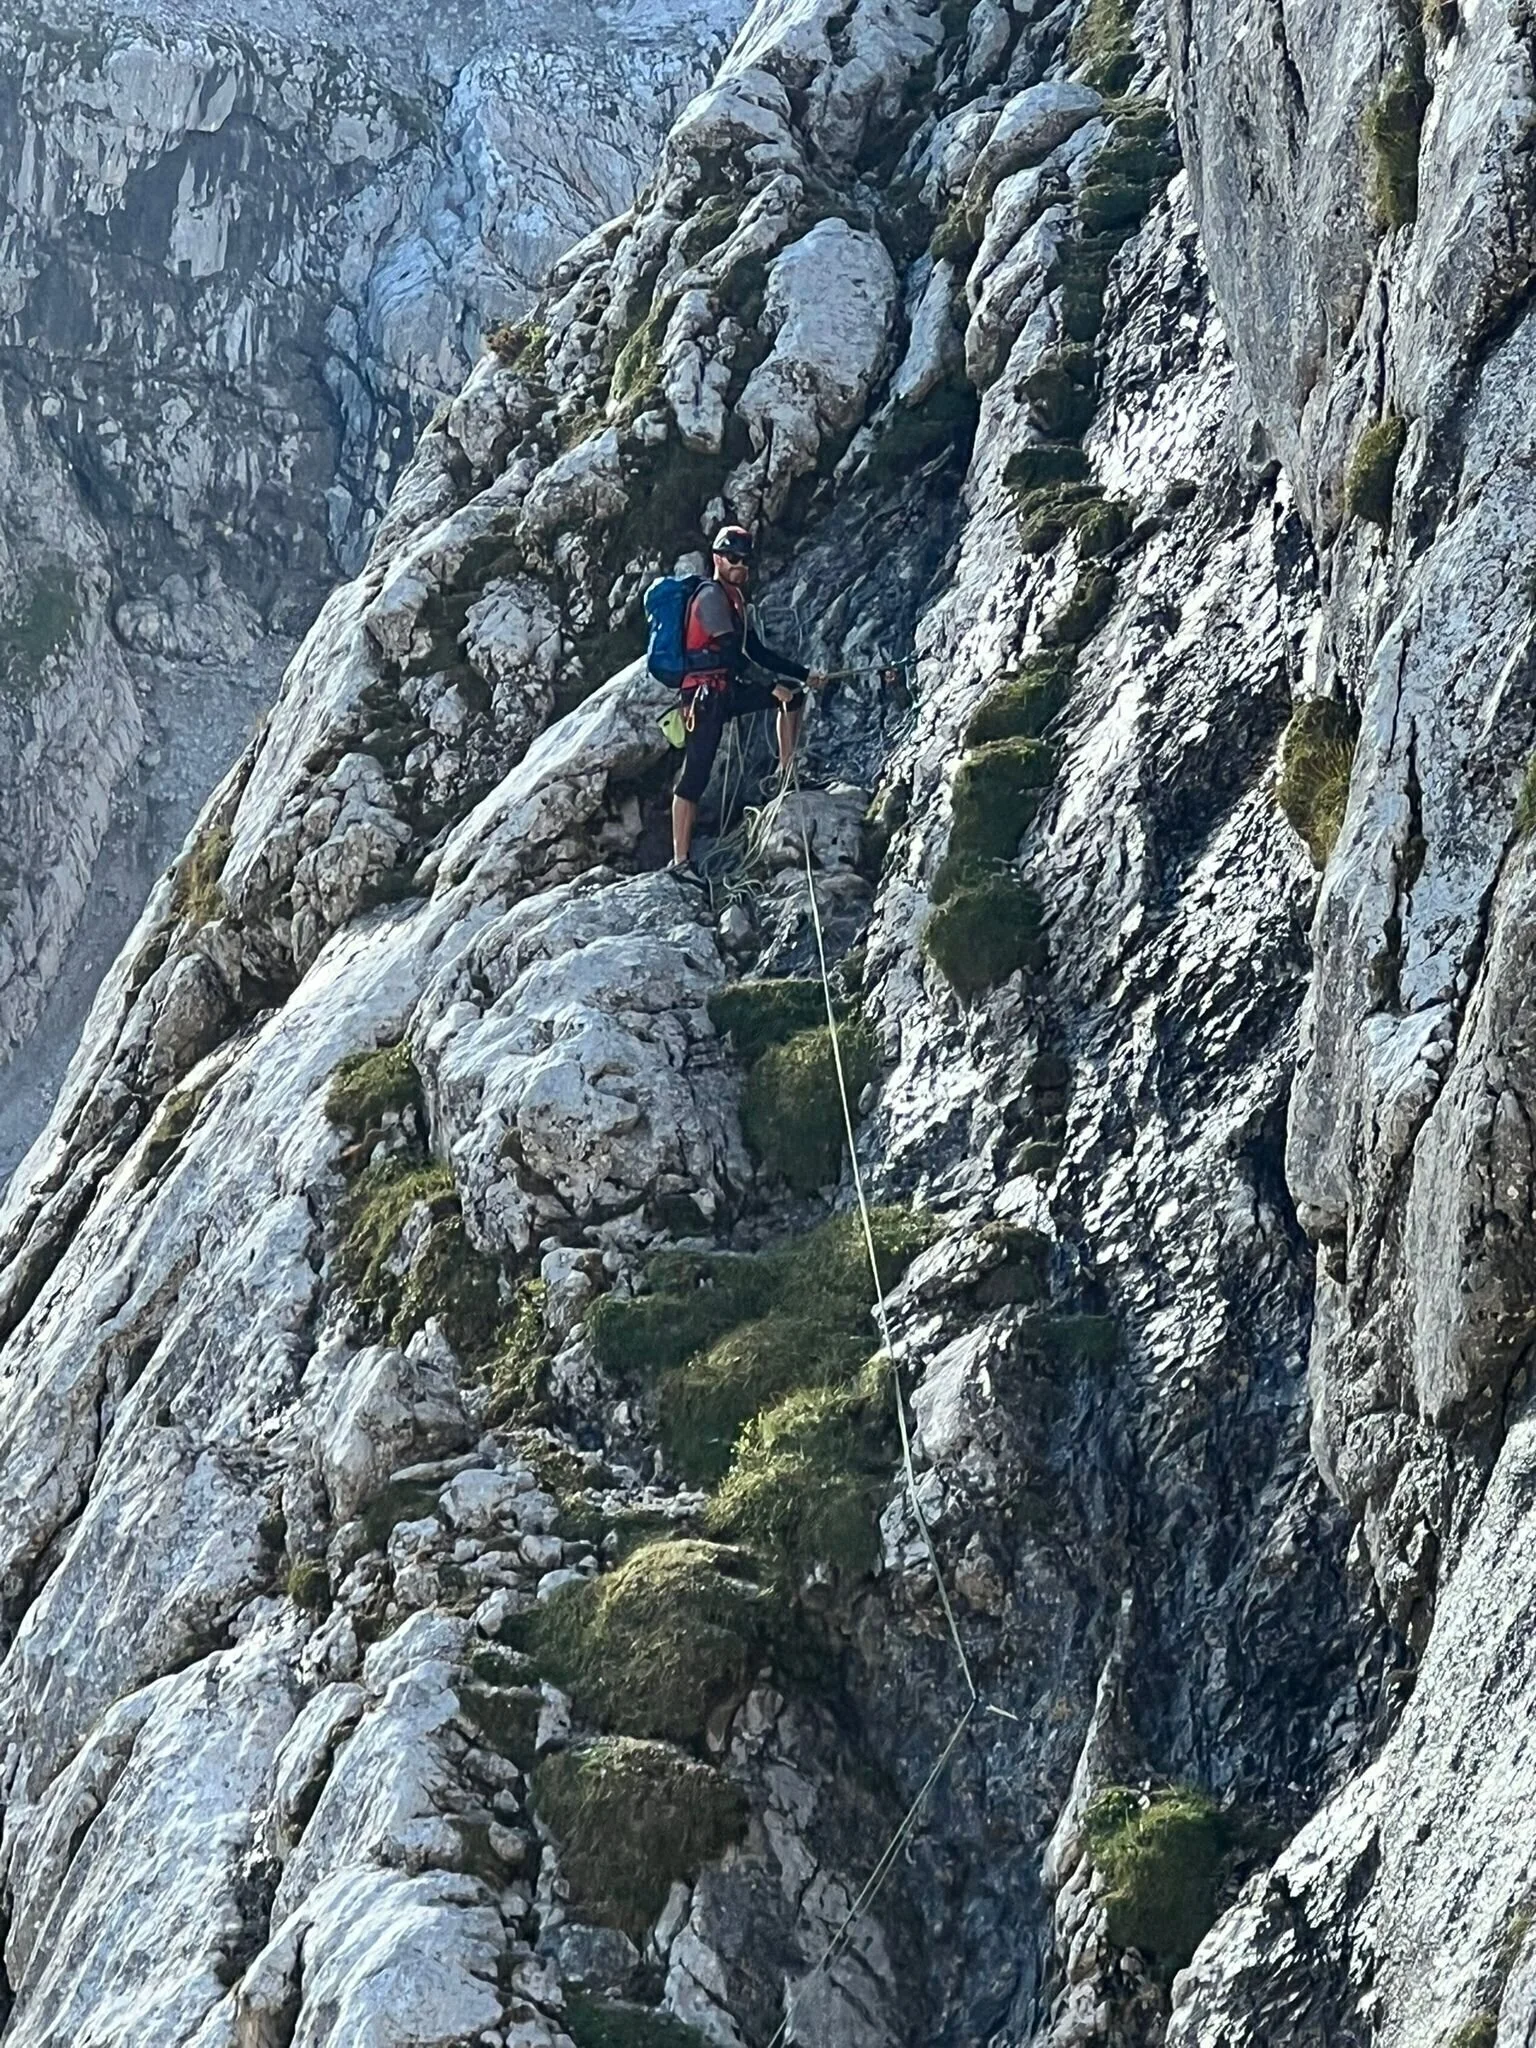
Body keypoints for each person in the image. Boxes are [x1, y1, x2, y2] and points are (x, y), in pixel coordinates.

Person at [670, 525, 825, 875]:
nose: (740, 565)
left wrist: (800, 674)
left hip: (724, 690)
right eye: (733, 558)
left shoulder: (735, 600)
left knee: (794, 696)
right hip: (704, 697)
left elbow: (755, 651)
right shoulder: (710, 597)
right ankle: (680, 861)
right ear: (717, 559)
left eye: (745, 560)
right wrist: (770, 686)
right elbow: (729, 653)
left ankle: (786, 775)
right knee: (695, 776)